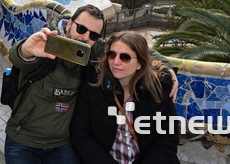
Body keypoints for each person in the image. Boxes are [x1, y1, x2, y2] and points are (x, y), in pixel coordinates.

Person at [4, 5, 178, 164]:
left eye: (93, 35)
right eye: (81, 29)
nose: (85, 37)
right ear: (69, 24)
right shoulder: (46, 43)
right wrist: (25, 51)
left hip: (62, 144)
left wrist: (168, 67)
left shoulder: (92, 50)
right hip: (23, 139)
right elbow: (19, 57)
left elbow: (131, 47)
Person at [70, 31, 180, 164]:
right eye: (112, 55)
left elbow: (167, 139)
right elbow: (81, 135)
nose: (116, 62)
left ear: (139, 63)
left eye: (125, 57)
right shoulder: (93, 85)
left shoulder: (158, 87)